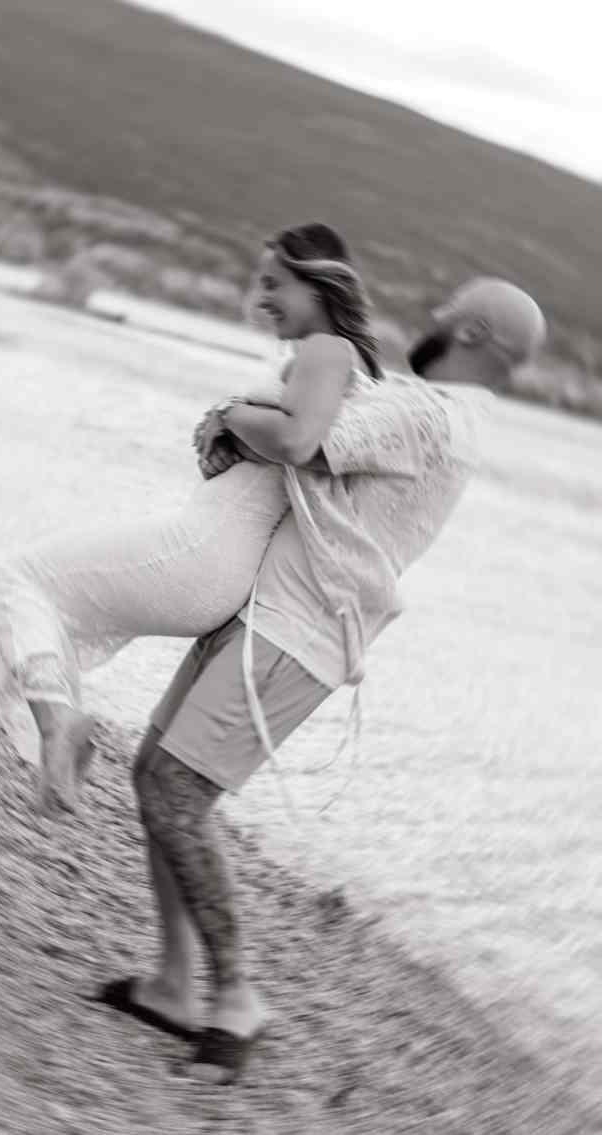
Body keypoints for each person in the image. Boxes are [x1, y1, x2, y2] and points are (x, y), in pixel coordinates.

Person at [120, 274, 546, 1085]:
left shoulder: (428, 412)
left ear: (479, 335)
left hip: (295, 632)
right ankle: (174, 985)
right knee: (155, 776)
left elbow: (298, 437)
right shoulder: (441, 412)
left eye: (450, 304)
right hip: (270, 615)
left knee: (177, 794)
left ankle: (236, 996)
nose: (434, 310)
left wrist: (221, 415)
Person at [0, 223, 382, 817]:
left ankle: (59, 722)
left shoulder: (327, 350)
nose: (261, 297)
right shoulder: (328, 359)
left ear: (318, 285)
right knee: (26, 585)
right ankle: (57, 722)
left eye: (275, 283)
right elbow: (290, 456)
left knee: (16, 579)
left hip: (205, 550)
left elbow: (298, 442)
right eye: (259, 282)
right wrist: (230, 432)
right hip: (214, 558)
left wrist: (227, 413)